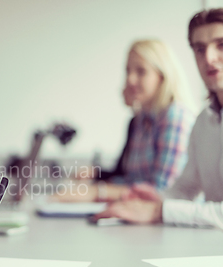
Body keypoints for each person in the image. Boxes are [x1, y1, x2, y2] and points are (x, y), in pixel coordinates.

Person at [95, 8, 223, 229]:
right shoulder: (204, 121)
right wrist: (159, 198)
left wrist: (159, 210)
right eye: (200, 49)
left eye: (221, 45)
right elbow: (185, 189)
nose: (209, 58)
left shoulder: (177, 116)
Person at [60, 39, 196, 202]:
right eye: (128, 71)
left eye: (141, 71)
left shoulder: (175, 116)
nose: (130, 79)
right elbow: (126, 177)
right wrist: (95, 180)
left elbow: (163, 191)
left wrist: (98, 192)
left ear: (162, 76)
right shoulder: (139, 121)